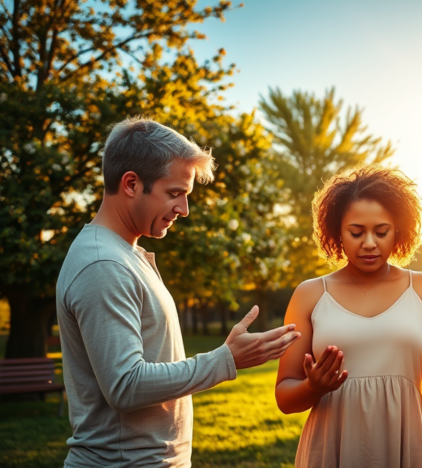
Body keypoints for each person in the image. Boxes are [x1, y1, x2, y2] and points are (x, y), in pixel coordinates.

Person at [56, 117, 300, 467]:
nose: (183, 210)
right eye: (174, 194)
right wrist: (225, 359)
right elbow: (125, 385)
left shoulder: (124, 255)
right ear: (131, 184)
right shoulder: (103, 265)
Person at [275, 165, 422, 467]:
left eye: (381, 232)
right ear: (337, 233)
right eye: (356, 232)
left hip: (407, 445)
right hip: (333, 445)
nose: (369, 243)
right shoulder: (310, 294)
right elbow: (285, 397)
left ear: (398, 231)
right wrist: (313, 387)